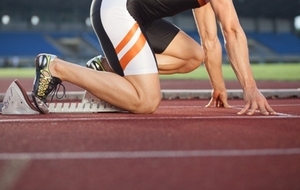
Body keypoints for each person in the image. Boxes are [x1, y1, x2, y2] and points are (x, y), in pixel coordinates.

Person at [32, 0, 276, 116]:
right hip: (117, 10)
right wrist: (250, 87)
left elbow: (210, 40)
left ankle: (106, 67)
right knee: (146, 101)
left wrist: (219, 88)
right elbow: (231, 31)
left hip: (136, 16)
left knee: (193, 56)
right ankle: (55, 68)